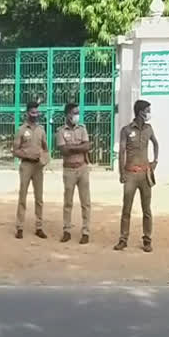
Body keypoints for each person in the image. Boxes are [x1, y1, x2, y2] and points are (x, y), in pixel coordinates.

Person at [114, 99, 159, 253]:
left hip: (145, 174)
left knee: (146, 209)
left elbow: (156, 144)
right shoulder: (126, 130)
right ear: (140, 112)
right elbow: (121, 152)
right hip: (130, 174)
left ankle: (147, 240)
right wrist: (121, 173)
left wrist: (155, 161)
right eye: (147, 110)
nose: (149, 113)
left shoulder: (149, 129)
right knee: (126, 208)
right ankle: (123, 239)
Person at [56, 102, 91, 244]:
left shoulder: (82, 128)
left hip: (82, 169)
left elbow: (87, 146)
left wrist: (72, 147)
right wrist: (80, 147)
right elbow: (63, 150)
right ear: (68, 115)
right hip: (69, 170)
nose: (77, 115)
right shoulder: (60, 131)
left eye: (78, 113)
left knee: (85, 202)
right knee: (68, 202)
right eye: (74, 113)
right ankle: (67, 231)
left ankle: (86, 232)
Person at [12, 101, 48, 239]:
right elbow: (15, 150)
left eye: (37, 112)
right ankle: (20, 227)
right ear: (27, 113)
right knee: (23, 196)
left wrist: (45, 159)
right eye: (32, 112)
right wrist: (27, 155)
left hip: (38, 167)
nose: (35, 115)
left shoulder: (41, 130)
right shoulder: (21, 130)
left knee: (39, 198)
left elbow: (45, 148)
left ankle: (39, 227)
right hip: (26, 165)